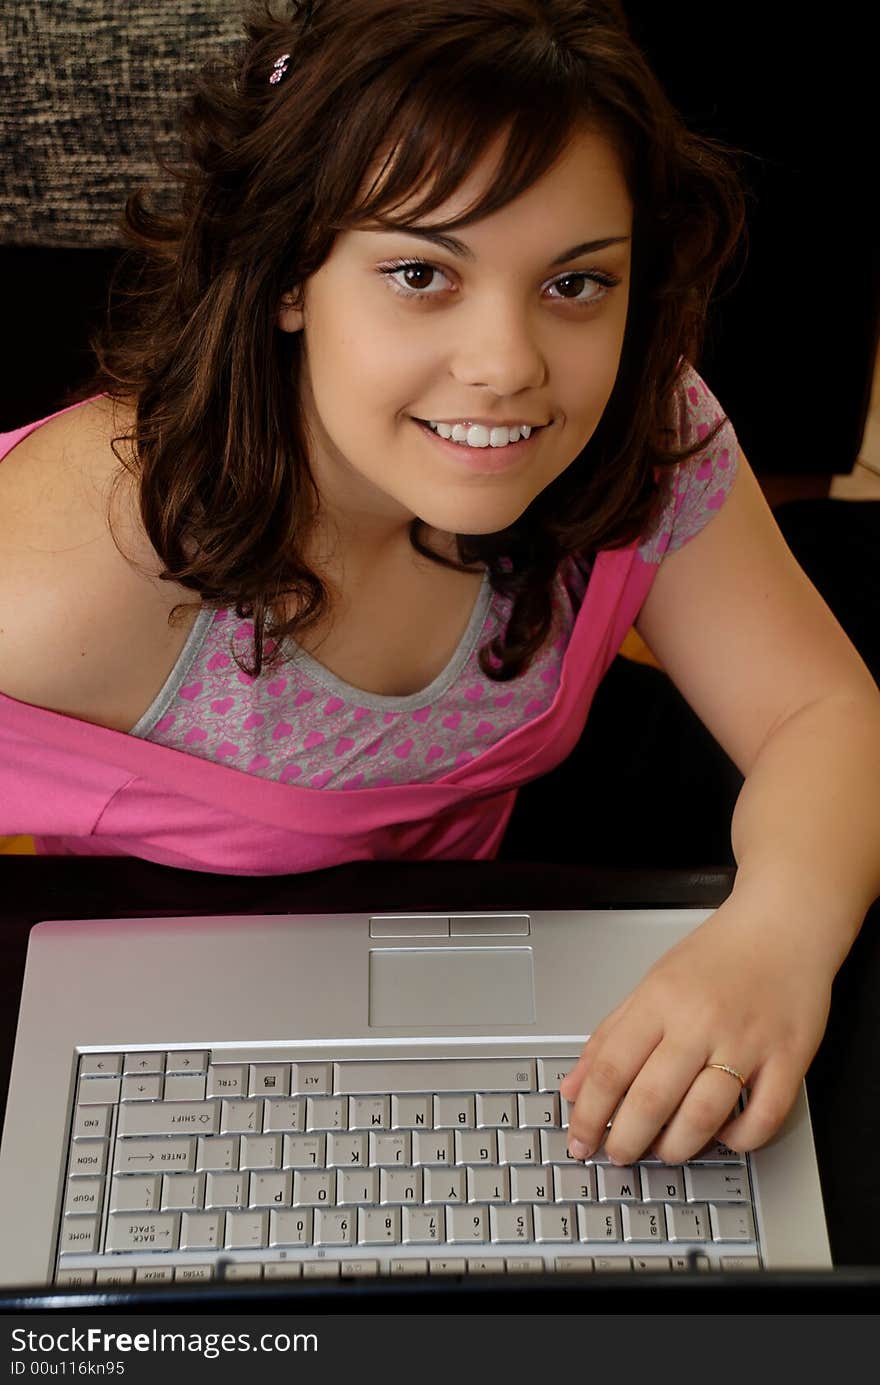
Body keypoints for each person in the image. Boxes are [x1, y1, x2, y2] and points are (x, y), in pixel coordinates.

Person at [0, 0, 878, 1170]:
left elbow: (820, 711)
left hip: (488, 931)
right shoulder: (65, 567)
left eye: (576, 284)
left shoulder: (639, 425)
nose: (509, 365)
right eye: (422, 272)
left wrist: (772, 942)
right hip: (185, 1010)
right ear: (287, 275)